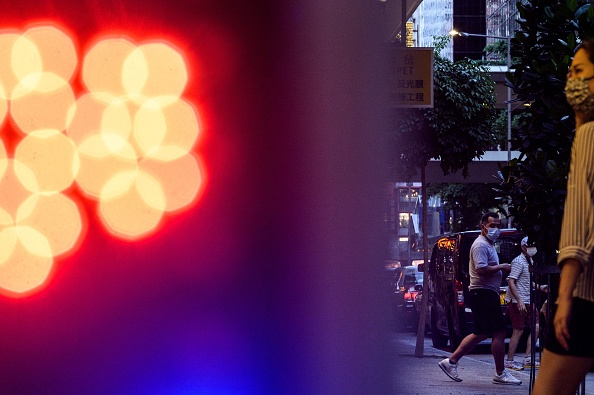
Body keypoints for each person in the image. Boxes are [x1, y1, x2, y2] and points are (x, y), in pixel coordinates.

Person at [533, 39, 594, 395]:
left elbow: (580, 218)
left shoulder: (588, 136)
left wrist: (564, 297)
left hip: (586, 296)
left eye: (579, 70)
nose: (570, 77)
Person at [438, 212, 522, 385]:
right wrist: (502, 267)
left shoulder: (489, 245)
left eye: (498, 225)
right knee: (499, 331)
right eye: (492, 226)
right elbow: (481, 269)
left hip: (485, 293)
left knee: (481, 332)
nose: (496, 229)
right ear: (483, 227)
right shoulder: (480, 245)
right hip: (483, 293)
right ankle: (500, 372)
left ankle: (451, 361)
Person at [505, 236, 544, 370]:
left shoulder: (529, 260)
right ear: (523, 247)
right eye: (529, 245)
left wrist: (540, 287)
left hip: (527, 300)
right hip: (518, 301)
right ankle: (509, 361)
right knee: (518, 331)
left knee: (537, 327)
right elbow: (511, 281)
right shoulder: (518, 262)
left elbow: (526, 281)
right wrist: (519, 301)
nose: (532, 248)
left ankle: (528, 358)